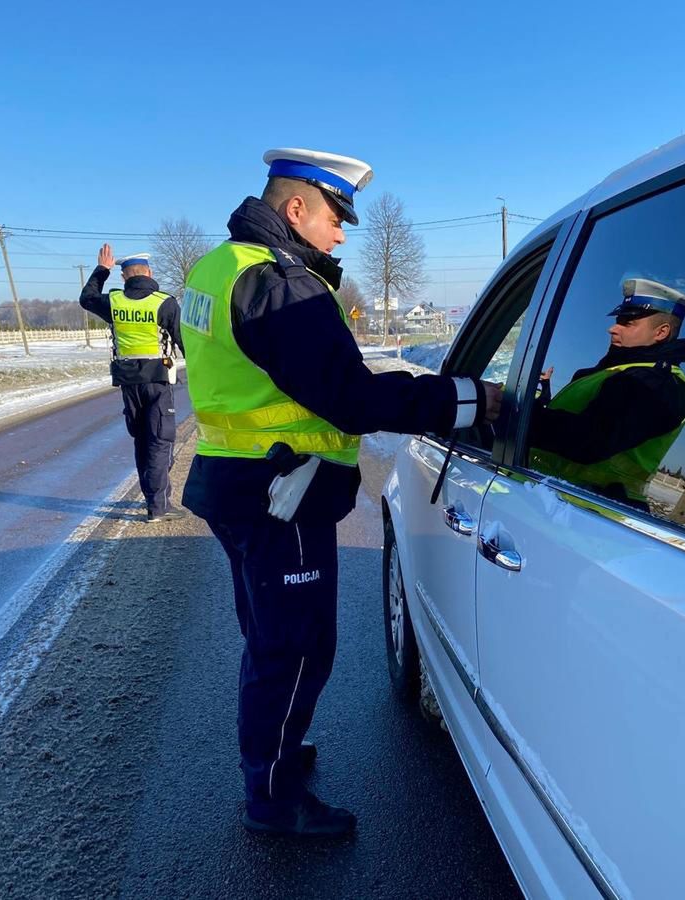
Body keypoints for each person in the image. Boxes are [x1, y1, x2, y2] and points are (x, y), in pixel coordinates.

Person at [179, 148, 502, 836]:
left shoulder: (215, 266)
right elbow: (352, 399)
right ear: (295, 209)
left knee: (270, 636)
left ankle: (278, 756)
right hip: (283, 492)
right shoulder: (281, 283)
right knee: (295, 648)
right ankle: (273, 797)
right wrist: (469, 400)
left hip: (236, 480)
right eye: (334, 215)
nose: (342, 232)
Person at [529, 277, 685, 505]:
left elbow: (588, 440)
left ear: (661, 332)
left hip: (588, 513)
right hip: (552, 499)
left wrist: (511, 413)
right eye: (618, 320)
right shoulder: (617, 371)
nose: (612, 328)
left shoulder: (655, 384)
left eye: (628, 323)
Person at [79, 247, 185, 522]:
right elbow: (185, 343)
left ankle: (153, 497)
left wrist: (102, 269)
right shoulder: (165, 303)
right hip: (158, 380)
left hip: (128, 382)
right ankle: (158, 506)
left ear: (124, 277)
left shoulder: (114, 302)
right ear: (149, 273)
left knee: (142, 440)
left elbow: (87, 298)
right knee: (160, 440)